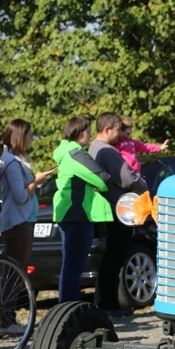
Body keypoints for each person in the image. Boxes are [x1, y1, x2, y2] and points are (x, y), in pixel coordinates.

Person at [89, 112, 147, 317]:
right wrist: (143, 186)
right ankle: (110, 304)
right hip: (118, 208)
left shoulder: (93, 149)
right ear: (107, 129)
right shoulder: (108, 151)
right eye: (117, 130)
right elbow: (127, 179)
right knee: (115, 257)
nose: (120, 135)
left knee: (108, 257)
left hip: (105, 208)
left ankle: (102, 301)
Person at [0, 119, 54, 329]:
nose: (32, 138)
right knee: (14, 272)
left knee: (16, 271)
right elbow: (21, 196)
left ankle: (6, 318)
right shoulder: (11, 163)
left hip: (23, 221)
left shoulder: (15, 161)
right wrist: (36, 182)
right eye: (30, 135)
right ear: (20, 137)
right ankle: (5, 320)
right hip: (17, 223)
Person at [53, 116, 113, 303]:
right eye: (88, 132)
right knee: (74, 266)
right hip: (77, 215)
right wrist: (96, 185)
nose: (90, 135)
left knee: (70, 265)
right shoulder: (76, 154)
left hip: (71, 214)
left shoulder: (66, 153)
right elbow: (103, 178)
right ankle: (68, 310)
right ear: (80, 134)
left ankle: (67, 307)